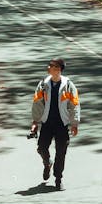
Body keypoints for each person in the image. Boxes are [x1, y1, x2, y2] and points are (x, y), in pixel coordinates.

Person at [30, 58, 80, 191]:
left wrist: (74, 123)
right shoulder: (43, 84)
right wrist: (35, 122)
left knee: (61, 152)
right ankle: (47, 164)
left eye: (52, 66)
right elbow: (37, 103)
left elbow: (74, 105)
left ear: (58, 69)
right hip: (47, 122)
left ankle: (58, 179)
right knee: (41, 148)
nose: (49, 67)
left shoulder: (68, 85)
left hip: (62, 124)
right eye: (50, 66)